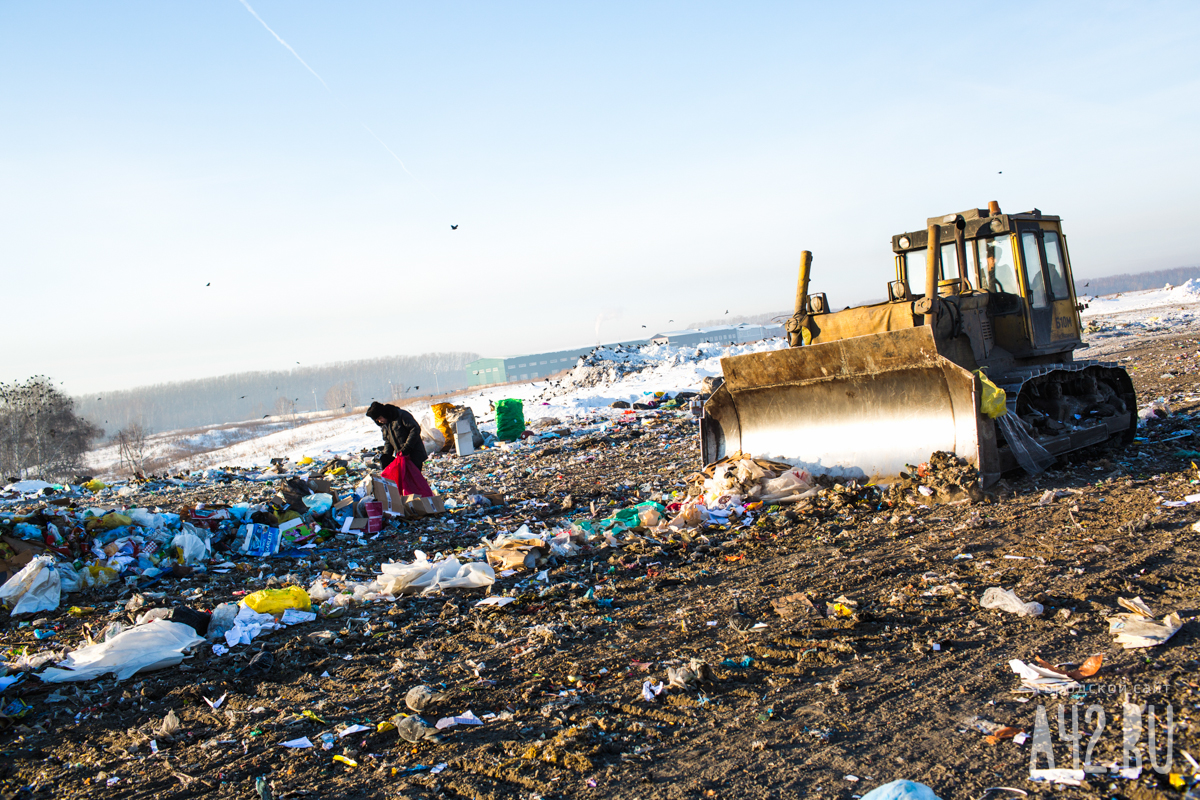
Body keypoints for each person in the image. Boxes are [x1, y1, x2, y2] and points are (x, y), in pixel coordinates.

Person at [365, 401, 431, 496]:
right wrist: (386, 455)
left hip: (414, 454)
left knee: (414, 481)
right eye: (377, 420)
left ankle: (421, 500)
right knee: (405, 482)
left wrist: (407, 447)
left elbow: (415, 429)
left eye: (379, 418)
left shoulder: (401, 415)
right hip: (402, 457)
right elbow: (388, 441)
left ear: (383, 414)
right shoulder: (385, 425)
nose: (379, 421)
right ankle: (410, 502)